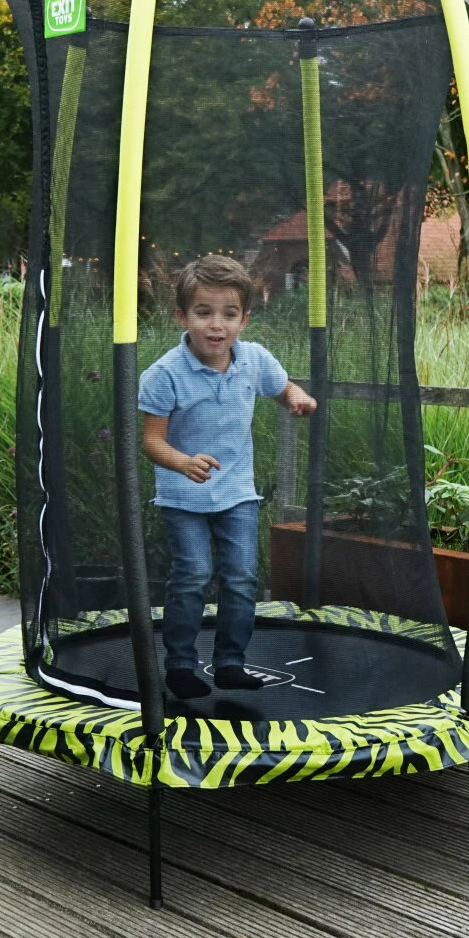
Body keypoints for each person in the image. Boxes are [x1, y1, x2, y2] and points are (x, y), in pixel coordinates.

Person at [137, 254, 317, 700]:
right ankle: (180, 665)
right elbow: (151, 441)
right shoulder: (163, 374)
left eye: (229, 314)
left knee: (241, 577)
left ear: (244, 319)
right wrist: (182, 462)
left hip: (237, 493)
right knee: (194, 574)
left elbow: (282, 388)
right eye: (204, 312)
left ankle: (230, 663)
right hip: (184, 496)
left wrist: (297, 397)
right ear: (182, 316)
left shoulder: (254, 359)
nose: (216, 325)